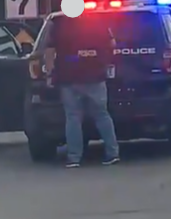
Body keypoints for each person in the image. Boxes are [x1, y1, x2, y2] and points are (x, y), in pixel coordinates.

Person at [44, 14, 120, 168]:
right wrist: (104, 62)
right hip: (95, 77)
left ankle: (74, 157)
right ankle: (112, 153)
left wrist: (49, 73)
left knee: (73, 118)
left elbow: (50, 50)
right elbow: (112, 44)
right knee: (102, 115)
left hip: (69, 78)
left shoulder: (58, 24)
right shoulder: (98, 21)